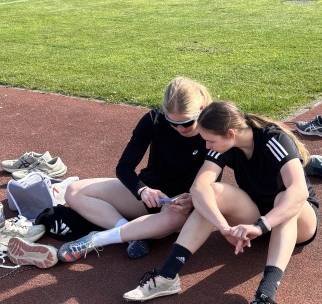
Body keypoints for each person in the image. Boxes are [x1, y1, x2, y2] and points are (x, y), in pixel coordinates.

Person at [123, 101, 319, 304]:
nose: (206, 146)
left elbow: (299, 192)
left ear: (231, 134)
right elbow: (199, 187)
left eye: (210, 141)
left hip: (298, 221)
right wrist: (223, 227)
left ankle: (264, 297)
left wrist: (261, 226)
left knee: (284, 198)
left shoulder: (274, 139)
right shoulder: (224, 144)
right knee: (211, 193)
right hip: (255, 215)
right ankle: (167, 275)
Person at [54, 77, 213, 263]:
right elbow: (124, 167)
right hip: (149, 194)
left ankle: (103, 238)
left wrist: (192, 200)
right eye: (172, 122)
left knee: (175, 219)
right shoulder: (153, 119)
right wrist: (142, 189)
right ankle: (133, 234)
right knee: (73, 191)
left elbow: (212, 181)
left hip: (179, 205)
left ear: (201, 109)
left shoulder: (213, 130)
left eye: (186, 123)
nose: (180, 129)